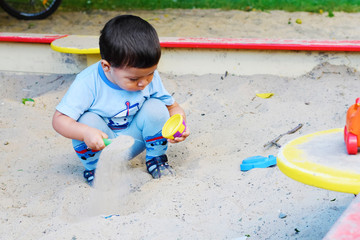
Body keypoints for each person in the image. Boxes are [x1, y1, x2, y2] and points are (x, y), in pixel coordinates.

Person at [52, 15, 190, 185]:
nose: (144, 82)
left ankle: (156, 159)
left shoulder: (146, 78)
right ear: (106, 66)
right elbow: (59, 120)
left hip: (135, 140)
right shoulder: (87, 82)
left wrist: (179, 125)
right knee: (85, 120)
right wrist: (85, 132)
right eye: (133, 79)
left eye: (150, 74)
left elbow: (173, 107)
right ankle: (97, 169)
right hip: (103, 144)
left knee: (156, 106)